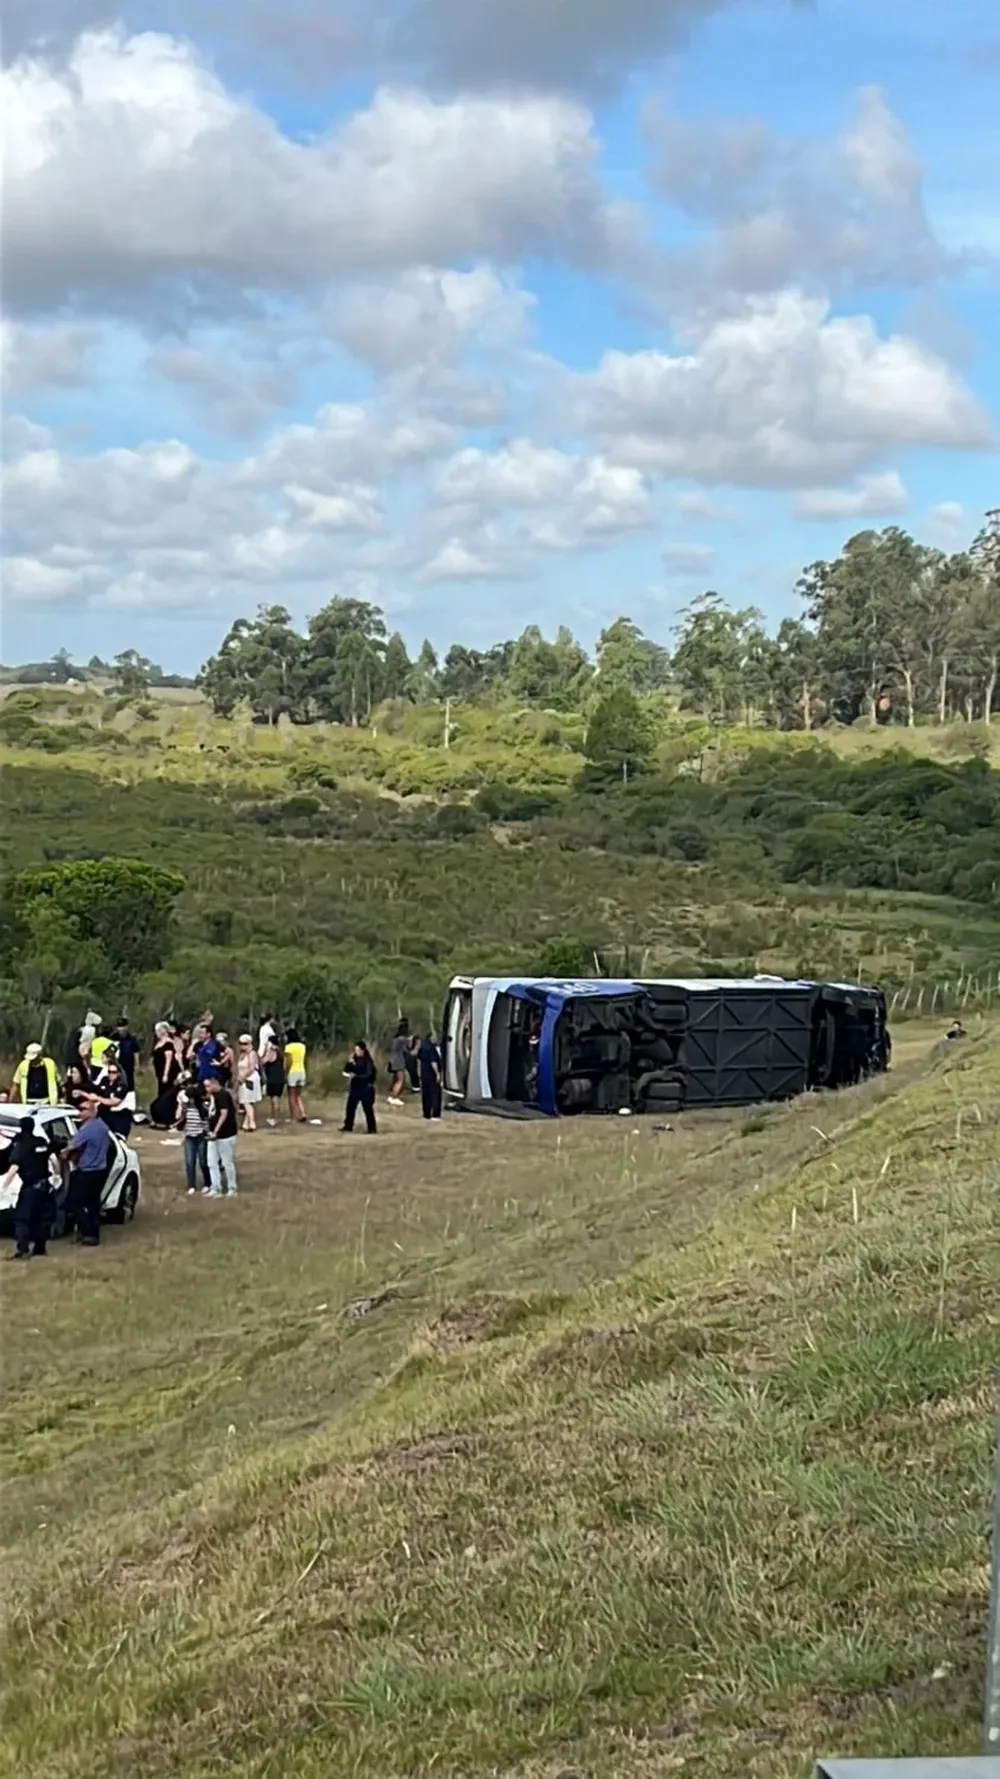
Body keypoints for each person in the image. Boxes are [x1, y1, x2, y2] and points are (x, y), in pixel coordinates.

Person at [2, 1116, 56, 1260]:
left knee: (22, 1219)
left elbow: (14, 1167)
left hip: (31, 1188)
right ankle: (40, 1248)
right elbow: (53, 1158)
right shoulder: (41, 1142)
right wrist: (56, 1176)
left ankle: (23, 1250)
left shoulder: (21, 1146)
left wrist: (4, 1186)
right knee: (41, 1219)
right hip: (45, 1186)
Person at [64, 1101, 113, 1247]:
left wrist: (62, 1154)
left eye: (83, 1109)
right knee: (93, 1204)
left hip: (87, 1171)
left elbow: (71, 1147)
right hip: (100, 1170)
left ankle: (85, 1232)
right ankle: (93, 1234)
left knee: (78, 1203)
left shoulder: (87, 1129)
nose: (80, 1112)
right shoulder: (103, 1126)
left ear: (92, 1112)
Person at [203, 1075, 239, 1196]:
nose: (206, 1089)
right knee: (211, 1162)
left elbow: (224, 1114)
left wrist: (216, 1131)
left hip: (225, 1135)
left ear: (215, 1084)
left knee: (226, 1162)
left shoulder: (223, 1095)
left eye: (208, 1086)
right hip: (213, 1136)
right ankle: (215, 1187)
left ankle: (232, 1188)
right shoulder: (212, 1097)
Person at [176, 1074, 210, 1195]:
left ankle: (207, 1183)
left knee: (203, 1162)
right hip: (189, 1137)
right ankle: (191, 1185)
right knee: (190, 1162)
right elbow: (180, 1122)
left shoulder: (202, 1109)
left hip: (200, 1138)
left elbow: (206, 1124)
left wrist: (206, 1135)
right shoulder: (186, 1108)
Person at [150, 1022, 183, 1127]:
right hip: (159, 1072)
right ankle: (161, 1117)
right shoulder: (159, 1042)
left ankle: (168, 1118)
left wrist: (166, 1074)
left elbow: (168, 1059)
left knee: (167, 1095)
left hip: (168, 1073)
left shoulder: (168, 1043)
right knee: (161, 1094)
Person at [342, 1042, 378, 1134]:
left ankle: (372, 1128)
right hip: (355, 1088)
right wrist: (349, 1063)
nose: (356, 1052)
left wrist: (355, 1076)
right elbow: (346, 1070)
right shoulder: (354, 1060)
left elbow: (369, 1075)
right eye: (355, 1050)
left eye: (358, 1050)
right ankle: (348, 1126)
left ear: (363, 1050)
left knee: (368, 1109)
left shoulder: (368, 1062)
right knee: (350, 1107)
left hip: (366, 1088)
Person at [93, 1057, 134, 1138]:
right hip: (104, 1112)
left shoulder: (122, 1085)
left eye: (114, 1072)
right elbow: (96, 1091)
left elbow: (114, 1102)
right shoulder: (105, 1080)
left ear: (119, 1073)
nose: (111, 1074)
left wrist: (98, 1098)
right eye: (109, 1072)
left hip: (119, 1114)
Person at [260, 1026, 285, 1126]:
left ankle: (274, 1118)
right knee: (277, 1098)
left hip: (273, 1077)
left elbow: (262, 1061)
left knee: (274, 1098)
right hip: (280, 1076)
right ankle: (275, 1117)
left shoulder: (272, 1052)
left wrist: (265, 1051)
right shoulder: (280, 1052)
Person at [237, 1035, 262, 1132]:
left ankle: (252, 1122)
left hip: (250, 1079)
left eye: (245, 1044)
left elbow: (251, 1068)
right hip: (243, 1079)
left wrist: (243, 1077)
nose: (243, 1046)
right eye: (241, 1044)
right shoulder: (242, 1055)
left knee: (246, 1101)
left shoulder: (252, 1054)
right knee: (246, 1100)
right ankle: (246, 1124)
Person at [111, 1019, 141, 1094]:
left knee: (129, 1083)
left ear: (127, 1027)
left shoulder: (131, 1038)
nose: (121, 1029)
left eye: (123, 1027)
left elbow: (136, 1052)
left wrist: (137, 1065)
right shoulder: (113, 1037)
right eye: (119, 1027)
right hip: (117, 1064)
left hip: (129, 1065)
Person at [284, 1028, 308, 1123]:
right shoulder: (302, 1046)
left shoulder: (289, 1047)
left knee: (291, 1096)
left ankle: (293, 1116)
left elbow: (289, 1061)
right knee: (298, 1095)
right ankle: (302, 1113)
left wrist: (285, 1072)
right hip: (301, 1071)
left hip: (292, 1072)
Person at [418, 1032, 443, 1121]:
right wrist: (437, 1074)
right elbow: (433, 1062)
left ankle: (426, 1114)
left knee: (426, 1095)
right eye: (434, 1037)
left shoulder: (423, 1047)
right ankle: (435, 1115)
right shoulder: (432, 1049)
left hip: (424, 1075)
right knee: (435, 1094)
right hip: (431, 1075)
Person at [387, 1021, 409, 1108]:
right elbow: (408, 1047)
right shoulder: (402, 1039)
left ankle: (394, 1095)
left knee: (396, 1080)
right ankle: (393, 1097)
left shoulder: (395, 1039)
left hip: (393, 1060)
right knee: (400, 1080)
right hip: (398, 1061)